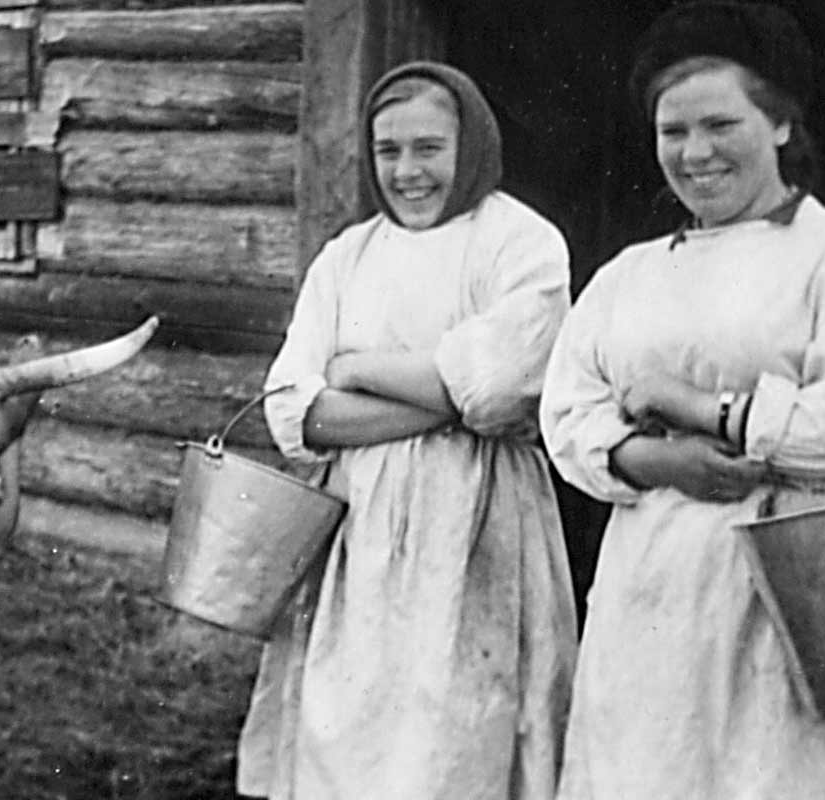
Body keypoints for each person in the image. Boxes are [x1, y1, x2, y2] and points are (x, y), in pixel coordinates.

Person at [538, 3, 825, 798]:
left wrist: (711, 411)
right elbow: (566, 411)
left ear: (783, 124)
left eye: (722, 124)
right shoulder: (629, 275)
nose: (695, 154)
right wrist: (648, 456)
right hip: (653, 590)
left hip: (802, 597)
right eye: (673, 131)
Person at [236, 61, 577, 799]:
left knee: (459, 733)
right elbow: (294, 410)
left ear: (471, 145)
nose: (407, 171)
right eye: (388, 151)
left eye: (428, 148)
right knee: (351, 725)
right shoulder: (347, 256)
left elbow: (495, 385)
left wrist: (356, 365)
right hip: (358, 532)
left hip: (478, 524)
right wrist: (441, 395)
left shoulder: (522, 244)